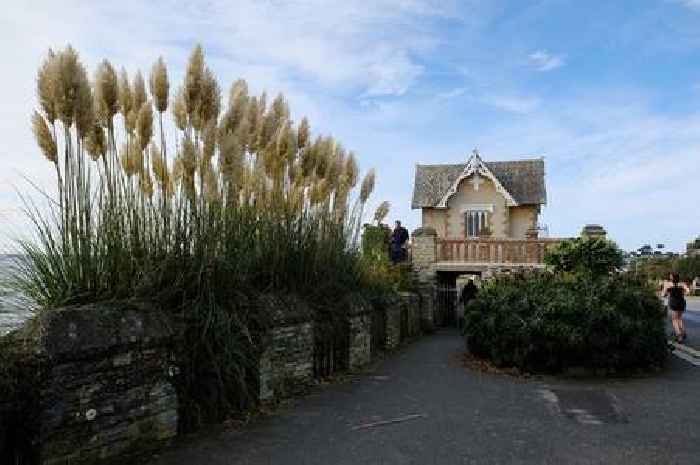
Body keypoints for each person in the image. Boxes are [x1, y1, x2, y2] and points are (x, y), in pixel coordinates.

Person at [664, 272, 689, 343]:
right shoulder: (682, 284)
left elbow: (663, 294)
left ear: (671, 278)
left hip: (673, 302)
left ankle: (679, 336)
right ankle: (683, 332)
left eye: (670, 277)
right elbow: (688, 291)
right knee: (679, 318)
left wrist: (667, 294)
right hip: (681, 302)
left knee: (674, 320)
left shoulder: (668, 284)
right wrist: (683, 293)